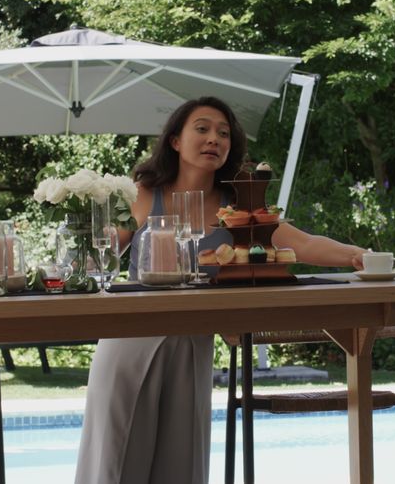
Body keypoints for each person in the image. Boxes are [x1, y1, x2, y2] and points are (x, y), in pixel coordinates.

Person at [74, 96, 368, 484]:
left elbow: (304, 243)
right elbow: (101, 253)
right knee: (113, 461)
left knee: (182, 465)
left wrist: (358, 255)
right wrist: (83, 239)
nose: (214, 138)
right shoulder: (143, 194)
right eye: (202, 129)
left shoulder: (239, 209)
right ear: (175, 140)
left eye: (224, 133)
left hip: (195, 341)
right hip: (131, 337)